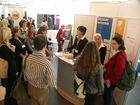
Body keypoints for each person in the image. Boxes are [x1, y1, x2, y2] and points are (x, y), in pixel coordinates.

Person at [24, 34, 55, 105]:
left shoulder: (27, 57)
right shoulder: (47, 64)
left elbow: (25, 72)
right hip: (41, 90)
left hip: (30, 86)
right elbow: (52, 83)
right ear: (45, 46)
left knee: (33, 102)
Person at [104, 36, 127, 105]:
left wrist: (110, 81)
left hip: (111, 81)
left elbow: (118, 73)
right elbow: (111, 63)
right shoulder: (117, 52)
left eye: (114, 44)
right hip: (109, 79)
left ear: (119, 44)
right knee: (106, 95)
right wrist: (104, 66)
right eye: (112, 43)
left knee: (108, 97)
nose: (112, 46)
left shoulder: (120, 56)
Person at [0, 27, 18, 105]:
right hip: (9, 72)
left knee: (10, 89)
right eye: (10, 33)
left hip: (10, 71)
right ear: (6, 35)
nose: (11, 34)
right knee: (10, 89)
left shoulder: (6, 45)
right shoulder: (4, 47)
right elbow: (11, 61)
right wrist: (13, 51)